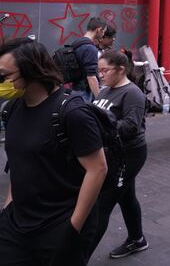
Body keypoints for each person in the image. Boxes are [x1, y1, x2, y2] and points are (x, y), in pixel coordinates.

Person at [0, 37, 107, 265]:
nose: (2, 82)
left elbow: (97, 169)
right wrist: (8, 207)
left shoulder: (72, 113)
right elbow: (19, 162)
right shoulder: (11, 109)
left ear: (32, 71)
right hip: (17, 224)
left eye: (5, 76)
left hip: (58, 225)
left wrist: (72, 228)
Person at [88, 51, 148, 259]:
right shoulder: (105, 92)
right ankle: (137, 239)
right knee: (126, 197)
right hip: (110, 153)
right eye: (99, 70)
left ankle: (79, 257)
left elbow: (131, 126)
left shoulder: (132, 93)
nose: (100, 75)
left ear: (121, 69)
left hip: (129, 155)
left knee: (103, 202)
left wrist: (100, 125)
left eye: (105, 70)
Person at [70, 16, 108, 102]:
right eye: (103, 31)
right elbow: (91, 76)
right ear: (99, 30)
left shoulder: (77, 42)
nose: (103, 35)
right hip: (84, 92)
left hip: (75, 88)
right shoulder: (90, 48)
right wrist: (99, 99)